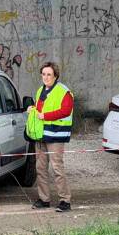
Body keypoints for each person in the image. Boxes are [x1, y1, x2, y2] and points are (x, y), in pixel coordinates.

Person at [26, 61, 73, 212]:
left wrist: (44, 115)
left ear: (55, 76)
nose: (46, 77)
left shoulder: (63, 91)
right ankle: (44, 199)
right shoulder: (40, 90)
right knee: (40, 169)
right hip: (41, 136)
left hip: (56, 135)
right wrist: (32, 109)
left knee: (57, 168)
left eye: (49, 75)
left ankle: (65, 201)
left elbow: (65, 111)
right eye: (44, 74)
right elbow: (40, 110)